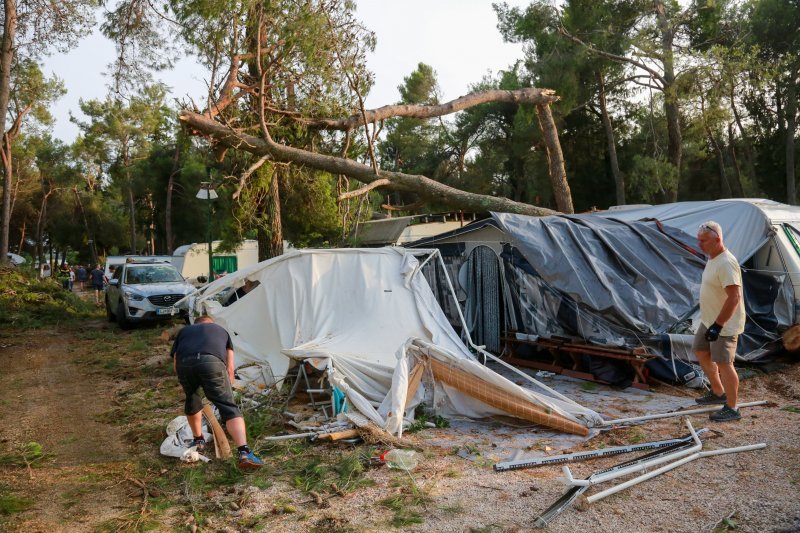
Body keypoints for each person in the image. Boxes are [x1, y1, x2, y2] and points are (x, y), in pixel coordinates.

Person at [170, 315, 263, 469]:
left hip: (184, 364)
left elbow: (175, 362)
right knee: (227, 406)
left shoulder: (184, 331)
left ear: (196, 324)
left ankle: (198, 440)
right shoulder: (220, 330)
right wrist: (226, 387)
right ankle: (244, 452)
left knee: (192, 398)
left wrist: (189, 377)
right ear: (210, 323)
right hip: (211, 362)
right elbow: (230, 367)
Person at [693, 221, 746, 422]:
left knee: (725, 363)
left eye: (703, 241)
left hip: (724, 324)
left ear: (717, 239)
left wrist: (718, 325)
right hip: (709, 320)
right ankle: (718, 392)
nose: (700, 245)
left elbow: (734, 297)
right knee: (700, 350)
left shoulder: (726, 262)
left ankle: (732, 408)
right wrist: (712, 323)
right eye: (699, 240)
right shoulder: (713, 257)